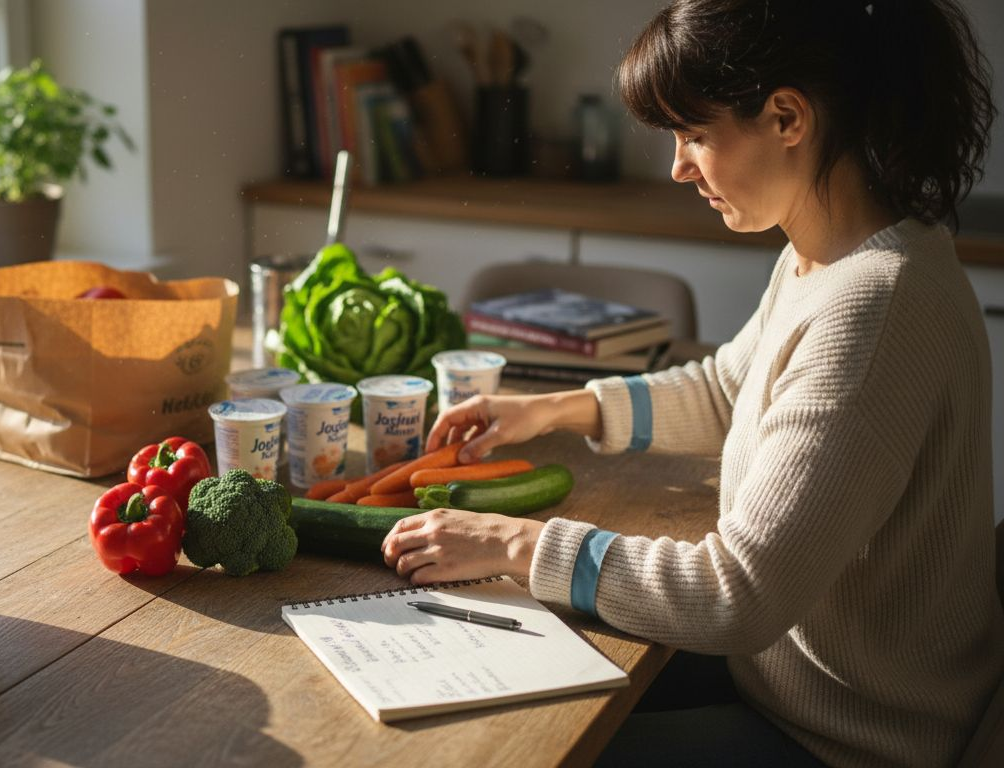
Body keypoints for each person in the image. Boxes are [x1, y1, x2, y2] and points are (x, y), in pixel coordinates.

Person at [381, 1, 1003, 765]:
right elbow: (729, 389)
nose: (678, 166)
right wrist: (550, 409)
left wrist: (515, 541)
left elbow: (734, 596)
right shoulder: (836, 254)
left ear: (786, 118)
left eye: (695, 134)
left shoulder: (876, 303)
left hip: (850, 738)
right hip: (783, 678)